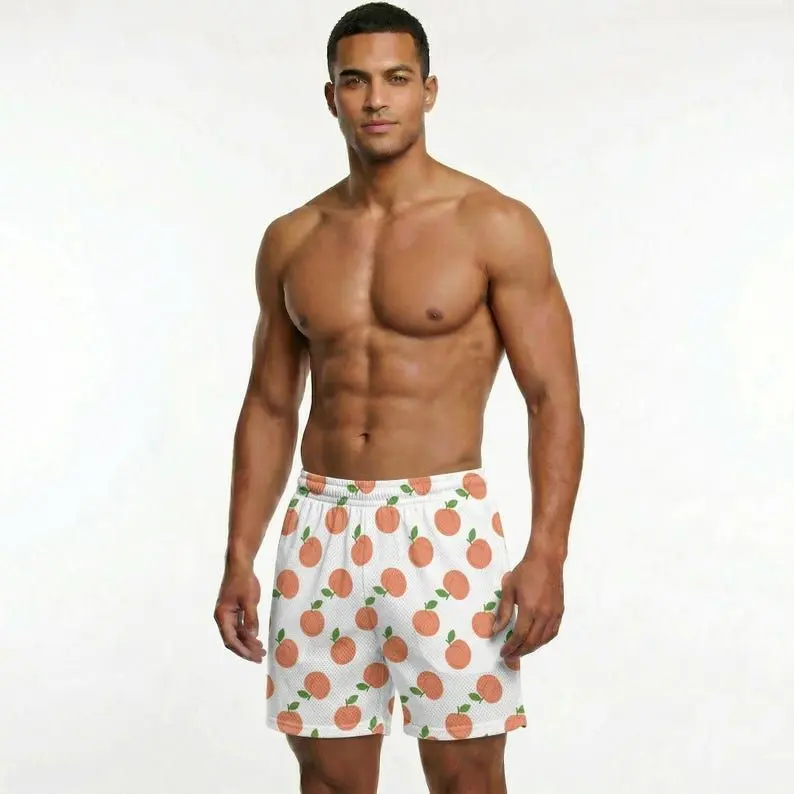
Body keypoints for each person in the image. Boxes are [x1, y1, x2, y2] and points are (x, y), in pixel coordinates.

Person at [213, 3, 585, 792]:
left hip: (442, 527)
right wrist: (239, 553)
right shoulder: (294, 237)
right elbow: (271, 405)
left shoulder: (494, 225)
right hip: (320, 528)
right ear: (331, 97)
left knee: (467, 776)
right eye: (356, 81)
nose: (376, 99)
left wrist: (547, 553)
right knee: (329, 777)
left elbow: (553, 398)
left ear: (429, 91)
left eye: (397, 79)